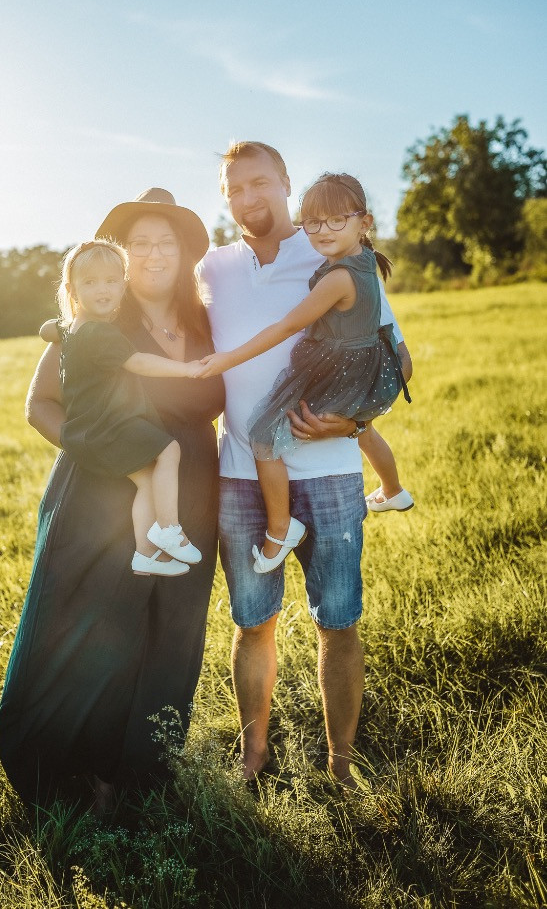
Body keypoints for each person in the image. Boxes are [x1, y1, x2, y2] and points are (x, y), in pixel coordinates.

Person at [0, 189, 225, 807]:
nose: (153, 254)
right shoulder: (95, 319)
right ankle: (70, 775)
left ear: (184, 253)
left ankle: (141, 773)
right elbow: (40, 405)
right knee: (98, 628)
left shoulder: (208, 320)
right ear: (119, 258)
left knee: (171, 632)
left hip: (188, 493)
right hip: (100, 494)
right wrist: (97, 452)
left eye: (165, 242)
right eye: (139, 243)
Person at [198, 142, 412, 789]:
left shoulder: (330, 251)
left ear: (285, 182)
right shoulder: (212, 267)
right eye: (236, 188)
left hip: (330, 473)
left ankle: (341, 764)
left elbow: (395, 356)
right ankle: (254, 754)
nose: (249, 197)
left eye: (260, 182)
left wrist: (354, 423)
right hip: (242, 474)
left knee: (338, 623)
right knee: (251, 623)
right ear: (226, 198)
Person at [199, 173, 411, 573]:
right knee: (363, 429)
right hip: (356, 370)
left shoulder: (338, 277)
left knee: (262, 434)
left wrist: (227, 359)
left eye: (336, 220)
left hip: (335, 369)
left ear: (364, 223)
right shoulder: (364, 261)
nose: (323, 231)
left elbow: (288, 326)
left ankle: (281, 528)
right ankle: (393, 488)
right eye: (313, 223)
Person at [40, 237, 203, 577]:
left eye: (111, 281)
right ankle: (169, 528)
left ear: (123, 285)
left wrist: (56, 326)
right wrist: (186, 369)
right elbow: (140, 362)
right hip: (108, 426)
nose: (103, 290)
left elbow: (46, 330)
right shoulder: (100, 334)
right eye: (90, 283)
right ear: (72, 290)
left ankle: (146, 554)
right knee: (169, 450)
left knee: (147, 480)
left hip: (85, 431)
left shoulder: (70, 328)